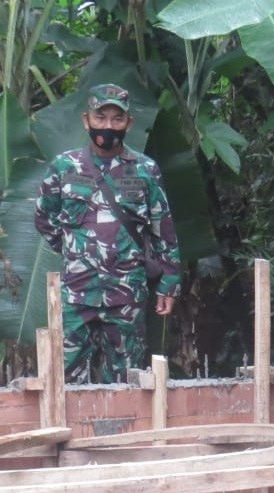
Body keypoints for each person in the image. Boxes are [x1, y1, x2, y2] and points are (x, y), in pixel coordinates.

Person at [35, 84, 181, 384]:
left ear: (129, 123)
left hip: (126, 293)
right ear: (86, 120)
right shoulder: (65, 167)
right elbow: (44, 218)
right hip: (77, 294)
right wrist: (75, 251)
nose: (108, 126)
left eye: (117, 118)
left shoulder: (145, 170)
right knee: (65, 379)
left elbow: (162, 229)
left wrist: (169, 284)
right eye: (101, 117)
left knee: (128, 380)